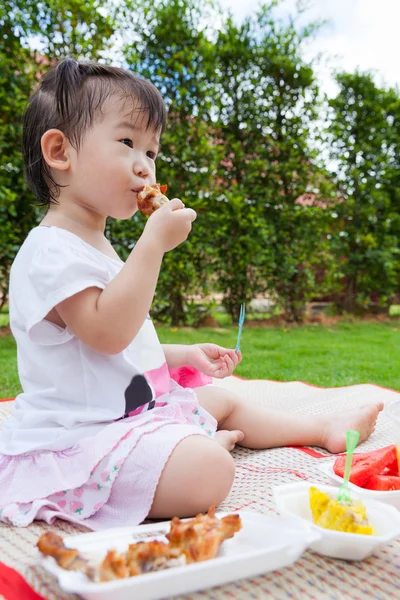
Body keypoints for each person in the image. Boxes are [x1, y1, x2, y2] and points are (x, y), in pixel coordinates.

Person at [0, 59, 383, 530]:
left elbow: (107, 353)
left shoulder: (95, 245)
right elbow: (105, 333)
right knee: (211, 470)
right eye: (127, 142)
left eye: (152, 151)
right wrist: (152, 245)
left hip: (127, 415)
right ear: (61, 151)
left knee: (221, 400)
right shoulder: (49, 251)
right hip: (82, 437)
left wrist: (185, 354)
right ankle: (186, 454)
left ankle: (323, 429)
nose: (145, 165)